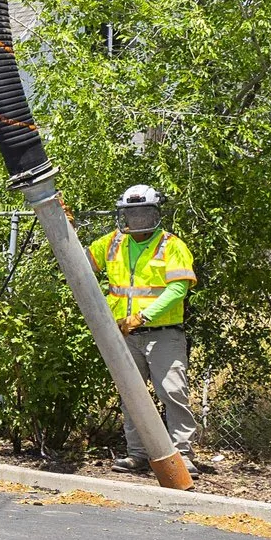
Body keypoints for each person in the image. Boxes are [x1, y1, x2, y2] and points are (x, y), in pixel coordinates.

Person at [90, 184, 199, 471]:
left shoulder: (171, 245)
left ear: (155, 214)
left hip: (163, 335)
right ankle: (137, 454)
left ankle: (182, 455)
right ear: (123, 215)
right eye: (131, 213)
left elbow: (178, 290)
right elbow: (80, 263)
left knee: (172, 392)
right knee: (131, 394)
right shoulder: (113, 242)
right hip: (124, 336)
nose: (137, 220)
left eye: (142, 213)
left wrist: (143, 317)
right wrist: (65, 227)